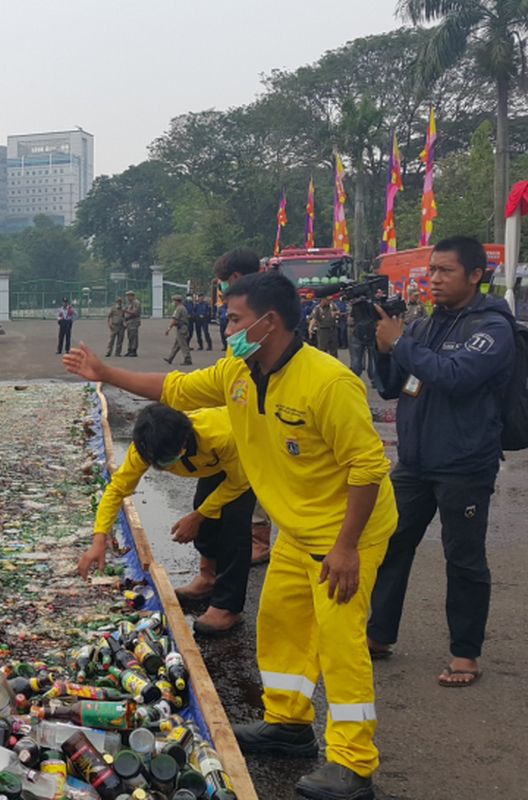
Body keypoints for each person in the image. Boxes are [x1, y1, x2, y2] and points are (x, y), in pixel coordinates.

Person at [64, 271, 397, 800]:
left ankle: (353, 763)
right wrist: (104, 371)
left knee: (340, 643)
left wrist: (347, 547)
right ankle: (288, 726)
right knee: (280, 623)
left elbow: (367, 467)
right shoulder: (239, 373)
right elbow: (172, 387)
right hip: (297, 527)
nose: (227, 325)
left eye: (236, 317)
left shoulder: (328, 383)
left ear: (270, 321)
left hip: (345, 533)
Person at [367, 236, 515, 688]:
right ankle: (378, 635)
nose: (433, 279)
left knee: (464, 558)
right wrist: (378, 341)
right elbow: (393, 386)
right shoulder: (425, 326)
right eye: (431, 270)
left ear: (475, 275)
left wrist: (402, 343)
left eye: (445, 271)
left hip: (465, 463)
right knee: (389, 543)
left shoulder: (493, 327)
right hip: (414, 461)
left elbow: (456, 376)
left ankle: (465, 654)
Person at [78, 404, 255, 634]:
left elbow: (239, 482)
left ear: (183, 445)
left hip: (246, 457)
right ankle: (208, 578)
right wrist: (99, 538)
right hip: (214, 465)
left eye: (164, 461)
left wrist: (198, 516)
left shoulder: (221, 436)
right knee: (206, 513)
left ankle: (227, 606)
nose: (158, 467)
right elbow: (117, 490)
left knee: (233, 524)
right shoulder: (147, 447)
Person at [211, 246, 271, 563]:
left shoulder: (260, 305)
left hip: (259, 399)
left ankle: (259, 541)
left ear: (234, 278)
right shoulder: (253, 300)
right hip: (241, 393)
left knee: (257, 473)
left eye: (221, 282)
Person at [348, 296, 380, 390]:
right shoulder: (375, 305)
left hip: (358, 333)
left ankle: (354, 379)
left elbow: (351, 319)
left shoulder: (355, 305)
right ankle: (374, 380)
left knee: (356, 359)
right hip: (371, 333)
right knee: (373, 359)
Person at [163, 294, 191, 365]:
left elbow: (175, 320)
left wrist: (169, 329)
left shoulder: (179, 308)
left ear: (177, 301)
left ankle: (187, 359)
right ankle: (170, 358)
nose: (173, 303)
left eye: (174, 301)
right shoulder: (183, 308)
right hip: (183, 327)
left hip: (181, 328)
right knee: (177, 344)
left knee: (182, 344)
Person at [123, 291, 142, 356]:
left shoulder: (136, 303)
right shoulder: (129, 303)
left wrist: (125, 311)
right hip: (129, 321)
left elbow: (135, 312)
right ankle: (130, 349)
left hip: (134, 321)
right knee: (130, 336)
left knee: (133, 336)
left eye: (129, 296)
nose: (127, 297)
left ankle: (133, 350)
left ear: (132, 296)